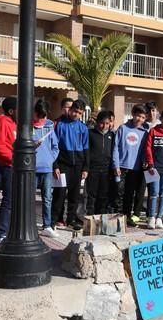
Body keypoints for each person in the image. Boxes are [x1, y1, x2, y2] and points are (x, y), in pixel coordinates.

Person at [52, 99, 90, 230]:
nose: (76, 114)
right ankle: (56, 219)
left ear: (82, 114)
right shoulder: (60, 125)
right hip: (63, 164)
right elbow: (54, 146)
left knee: (74, 194)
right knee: (60, 193)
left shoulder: (83, 128)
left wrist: (86, 167)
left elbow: (86, 149)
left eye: (79, 113)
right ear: (70, 109)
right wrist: (55, 165)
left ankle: (71, 219)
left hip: (78, 165)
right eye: (74, 111)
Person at [112, 104, 148, 226]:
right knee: (118, 193)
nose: (140, 119)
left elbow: (144, 151)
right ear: (133, 114)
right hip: (122, 167)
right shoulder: (122, 128)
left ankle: (127, 217)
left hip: (136, 168)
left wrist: (145, 162)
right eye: (138, 115)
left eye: (143, 117)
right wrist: (116, 165)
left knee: (130, 194)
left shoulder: (144, 132)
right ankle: (118, 217)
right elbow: (115, 148)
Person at [0, 97, 17, 243]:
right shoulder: (3, 122)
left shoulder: (15, 123)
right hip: (8, 166)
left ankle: (9, 231)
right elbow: (0, 146)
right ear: (11, 111)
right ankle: (0, 233)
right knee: (8, 200)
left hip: (16, 166)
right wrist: (13, 159)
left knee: (14, 200)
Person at [33, 99, 59, 238]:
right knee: (29, 198)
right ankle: (29, 223)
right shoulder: (28, 126)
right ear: (34, 113)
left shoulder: (49, 127)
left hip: (47, 169)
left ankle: (47, 225)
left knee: (47, 198)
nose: (42, 119)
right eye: (40, 116)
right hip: (32, 169)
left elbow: (55, 147)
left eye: (44, 116)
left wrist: (50, 159)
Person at [86, 111, 114, 216]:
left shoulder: (111, 135)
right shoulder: (91, 134)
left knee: (103, 195)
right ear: (97, 122)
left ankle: (100, 217)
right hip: (93, 169)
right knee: (91, 195)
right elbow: (87, 152)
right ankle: (90, 217)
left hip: (106, 170)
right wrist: (86, 168)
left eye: (107, 123)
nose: (104, 126)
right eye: (102, 123)